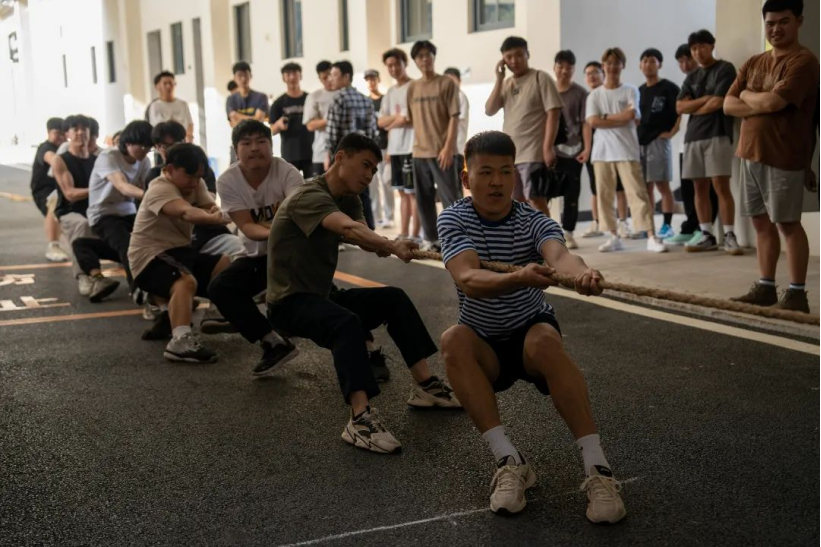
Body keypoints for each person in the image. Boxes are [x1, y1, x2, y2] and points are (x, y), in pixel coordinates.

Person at [438, 131, 626, 522]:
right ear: (467, 178)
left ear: (515, 175)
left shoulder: (533, 220)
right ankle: (510, 462)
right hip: (483, 340)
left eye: (505, 172)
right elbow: (468, 279)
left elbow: (560, 255)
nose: (496, 182)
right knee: (453, 340)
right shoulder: (454, 219)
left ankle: (599, 469)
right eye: (486, 172)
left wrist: (582, 274)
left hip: (529, 331)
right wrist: (518, 278)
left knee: (544, 342)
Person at [266, 133, 461, 454]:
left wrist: (386, 245)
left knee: (393, 298)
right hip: (288, 303)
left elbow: (362, 234)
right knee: (346, 323)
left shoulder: (349, 197)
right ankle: (359, 419)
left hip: (322, 295)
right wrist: (389, 245)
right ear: (340, 157)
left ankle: (426, 387)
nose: (369, 175)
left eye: (374, 169)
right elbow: (348, 229)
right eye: (365, 165)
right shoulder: (308, 195)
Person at [725, 0, 819, 313]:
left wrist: (746, 95)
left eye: (783, 22)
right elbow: (727, 104)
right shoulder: (754, 61)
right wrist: (756, 99)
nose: (776, 29)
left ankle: (796, 294)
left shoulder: (804, 61)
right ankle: (766, 286)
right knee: (760, 223)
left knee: (788, 224)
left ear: (799, 21)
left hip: (784, 155)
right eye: (770, 23)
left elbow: (773, 104)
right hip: (749, 152)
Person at [207, 120, 301, 375]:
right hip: (257, 256)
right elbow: (248, 227)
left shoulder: (288, 172)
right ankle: (273, 343)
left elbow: (297, 217)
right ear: (236, 150)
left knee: (328, 299)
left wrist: (276, 229)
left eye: (261, 141)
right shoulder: (227, 181)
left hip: (294, 255)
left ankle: (367, 349)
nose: (255, 148)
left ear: (271, 146)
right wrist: (277, 229)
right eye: (246, 143)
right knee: (221, 288)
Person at [128, 144, 232, 363]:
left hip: (181, 252)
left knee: (224, 263)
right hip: (149, 256)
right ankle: (179, 342)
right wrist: (216, 217)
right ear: (170, 169)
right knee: (185, 282)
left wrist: (216, 212)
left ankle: (213, 313)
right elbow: (186, 212)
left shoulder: (197, 183)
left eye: (199, 177)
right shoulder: (159, 188)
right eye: (190, 176)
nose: (194, 182)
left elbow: (208, 206)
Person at [586, 48, 667, 253]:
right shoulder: (595, 95)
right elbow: (593, 121)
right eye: (608, 63)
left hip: (627, 150)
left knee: (638, 193)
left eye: (616, 63)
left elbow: (631, 115)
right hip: (602, 153)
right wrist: (618, 118)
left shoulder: (631, 90)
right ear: (603, 66)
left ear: (623, 65)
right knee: (604, 196)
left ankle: (651, 236)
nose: (612, 67)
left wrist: (606, 117)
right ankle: (614, 236)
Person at [677, 30, 742, 255]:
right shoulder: (691, 77)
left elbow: (719, 102)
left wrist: (695, 105)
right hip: (693, 137)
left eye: (702, 46)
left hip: (718, 133)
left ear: (712, 46)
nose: (697, 52)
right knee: (699, 187)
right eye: (694, 48)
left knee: (721, 185)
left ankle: (730, 235)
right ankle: (706, 234)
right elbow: (679, 107)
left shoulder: (725, 69)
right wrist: (705, 100)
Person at [486, 37, 562, 219]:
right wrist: (499, 79)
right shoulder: (506, 84)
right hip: (511, 155)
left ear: (528, 54)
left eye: (519, 55)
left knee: (536, 199)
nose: (514, 60)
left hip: (534, 152)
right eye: (509, 57)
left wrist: (547, 148)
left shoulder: (540, 78)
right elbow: (489, 110)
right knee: (515, 202)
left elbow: (554, 113)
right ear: (503, 60)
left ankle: (549, 236)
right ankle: (525, 236)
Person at [51, 115, 119, 302]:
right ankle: (85, 276)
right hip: (70, 211)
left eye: (84, 128)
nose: (80, 132)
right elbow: (70, 194)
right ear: (67, 134)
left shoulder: (99, 160)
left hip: (96, 210)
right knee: (81, 225)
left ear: (91, 133)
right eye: (75, 129)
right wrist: (98, 188)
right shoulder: (61, 160)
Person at [408, 40, 463, 252]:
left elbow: (454, 117)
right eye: (420, 56)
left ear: (434, 57)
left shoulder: (446, 83)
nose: (425, 59)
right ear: (415, 61)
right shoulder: (413, 87)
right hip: (419, 152)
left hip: (443, 152)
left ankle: (457, 240)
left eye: (428, 55)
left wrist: (448, 148)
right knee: (423, 199)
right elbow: (412, 119)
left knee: (451, 199)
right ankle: (432, 239)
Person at [86, 120, 154, 291]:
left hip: (128, 211)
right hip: (103, 213)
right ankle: (138, 289)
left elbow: (148, 186)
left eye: (149, 147)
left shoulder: (144, 161)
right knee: (127, 245)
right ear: (128, 142)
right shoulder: (108, 157)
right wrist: (151, 196)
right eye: (142, 146)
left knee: (151, 240)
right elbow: (122, 186)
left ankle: (163, 288)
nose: (145, 151)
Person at [667, 45, 721, 246]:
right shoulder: (686, 84)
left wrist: (694, 104)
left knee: (708, 189)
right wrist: (693, 104)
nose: (685, 64)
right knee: (688, 190)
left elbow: (710, 103)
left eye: (687, 59)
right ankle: (690, 227)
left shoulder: (705, 81)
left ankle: (704, 229)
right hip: (685, 143)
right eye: (680, 61)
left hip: (705, 138)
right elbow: (680, 107)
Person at [325, 60, 379, 230]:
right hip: (365, 157)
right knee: (363, 193)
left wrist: (330, 156)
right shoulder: (365, 100)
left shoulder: (338, 99)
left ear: (346, 76)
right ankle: (368, 230)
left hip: (345, 158)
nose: (331, 78)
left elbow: (332, 133)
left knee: (341, 194)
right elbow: (372, 132)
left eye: (335, 75)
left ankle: (346, 231)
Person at [638, 48, 681, 240]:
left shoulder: (668, 88)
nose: (648, 65)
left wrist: (673, 131)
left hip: (659, 141)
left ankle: (667, 225)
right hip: (640, 143)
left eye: (652, 61)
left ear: (660, 64)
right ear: (640, 65)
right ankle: (648, 227)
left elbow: (681, 111)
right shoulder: (639, 91)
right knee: (645, 188)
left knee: (663, 186)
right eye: (645, 61)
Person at [379, 48, 420, 243]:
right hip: (395, 148)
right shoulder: (390, 92)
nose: (393, 68)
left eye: (397, 64)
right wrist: (397, 119)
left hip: (412, 147)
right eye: (389, 66)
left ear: (405, 63)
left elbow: (410, 118)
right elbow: (381, 121)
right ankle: (403, 233)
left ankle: (416, 235)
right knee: (402, 193)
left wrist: (393, 121)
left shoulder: (414, 86)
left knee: (414, 194)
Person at [553, 50, 592, 250]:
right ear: (554, 67)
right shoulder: (548, 90)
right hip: (550, 151)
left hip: (574, 151)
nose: (564, 71)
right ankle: (547, 233)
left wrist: (587, 148)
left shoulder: (580, 93)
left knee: (571, 193)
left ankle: (568, 232)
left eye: (568, 67)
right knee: (546, 193)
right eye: (561, 66)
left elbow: (586, 123)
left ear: (574, 69)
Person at [31, 117, 68, 263]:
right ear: (48, 132)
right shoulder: (45, 148)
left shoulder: (67, 147)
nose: (61, 137)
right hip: (45, 191)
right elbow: (52, 159)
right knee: (56, 200)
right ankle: (53, 246)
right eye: (57, 133)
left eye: (64, 134)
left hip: (66, 187)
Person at [269, 63, 314, 176]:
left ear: (300, 76)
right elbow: (271, 131)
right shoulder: (278, 103)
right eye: (288, 74)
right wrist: (278, 125)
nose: (292, 77)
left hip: (311, 152)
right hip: (289, 154)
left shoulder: (310, 99)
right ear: (283, 78)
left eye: (295, 73)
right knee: (291, 185)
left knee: (313, 185)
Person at [365, 68, 394, 228]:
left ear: (378, 80)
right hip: (369, 149)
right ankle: (376, 216)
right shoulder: (365, 101)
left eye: (373, 79)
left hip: (383, 147)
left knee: (386, 183)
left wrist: (390, 148)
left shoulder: (385, 100)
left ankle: (389, 216)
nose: (371, 82)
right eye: (368, 79)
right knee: (372, 184)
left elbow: (390, 126)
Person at [304, 61, 338, 177]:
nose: (329, 80)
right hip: (321, 152)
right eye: (324, 77)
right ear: (320, 79)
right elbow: (310, 125)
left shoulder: (343, 94)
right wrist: (332, 120)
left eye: (331, 75)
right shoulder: (314, 96)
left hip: (344, 151)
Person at [146, 71, 194, 143]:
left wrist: (188, 138)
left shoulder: (183, 104)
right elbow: (154, 127)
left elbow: (189, 124)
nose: (168, 86)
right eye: (165, 83)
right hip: (163, 144)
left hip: (182, 142)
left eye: (171, 83)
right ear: (158, 86)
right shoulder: (154, 106)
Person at [444, 67, 470, 171]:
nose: (450, 83)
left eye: (452, 79)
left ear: (459, 80)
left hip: (457, 147)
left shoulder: (460, 97)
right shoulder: (446, 98)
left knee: (456, 177)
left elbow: (456, 119)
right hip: (446, 148)